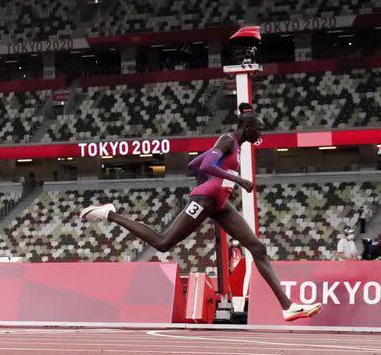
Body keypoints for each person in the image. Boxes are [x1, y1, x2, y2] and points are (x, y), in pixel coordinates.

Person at [80, 103, 321, 322]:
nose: (261, 134)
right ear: (246, 127)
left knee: (257, 248)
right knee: (163, 242)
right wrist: (238, 181)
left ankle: (288, 306)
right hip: (206, 199)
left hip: (219, 202)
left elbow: (195, 165)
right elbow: (205, 165)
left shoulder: (234, 146)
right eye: (259, 129)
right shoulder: (227, 140)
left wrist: (215, 181)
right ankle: (109, 214)